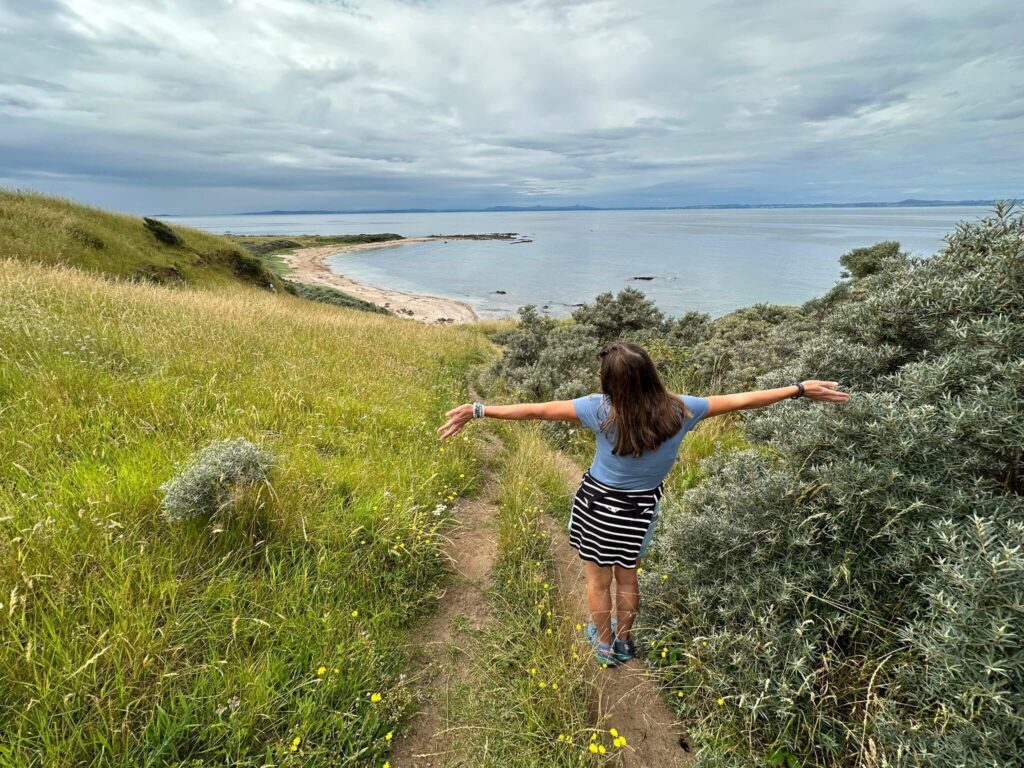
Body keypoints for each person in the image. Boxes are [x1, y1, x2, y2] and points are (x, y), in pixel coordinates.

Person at [437, 340, 848, 666]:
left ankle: (603, 646)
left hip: (598, 504)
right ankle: (626, 642)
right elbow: (744, 399)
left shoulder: (598, 410)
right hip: (640, 509)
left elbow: (534, 411)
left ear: (610, 383)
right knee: (628, 578)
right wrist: (798, 389)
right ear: (651, 375)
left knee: (597, 582)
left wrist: (478, 410)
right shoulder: (684, 410)